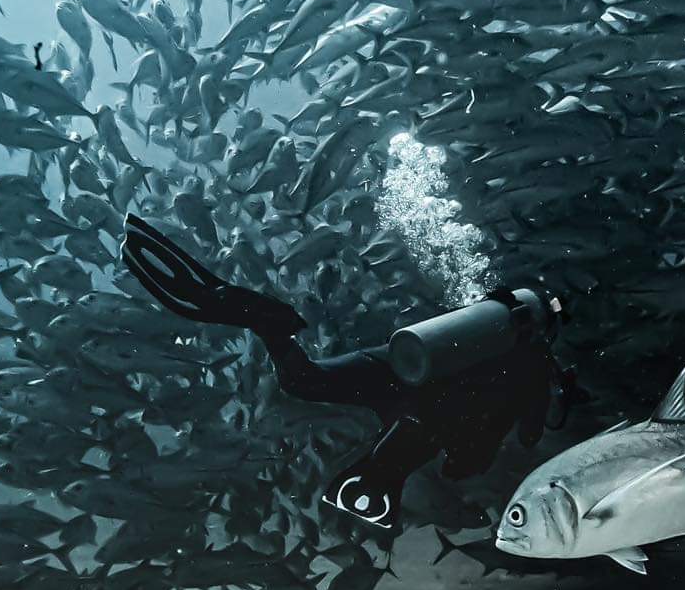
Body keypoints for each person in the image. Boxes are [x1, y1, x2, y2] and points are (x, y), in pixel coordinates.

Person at [123, 216, 570, 528]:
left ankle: (265, 320)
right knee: (413, 450)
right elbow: (526, 437)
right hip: (429, 410)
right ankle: (374, 477)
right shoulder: (533, 366)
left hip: (398, 362)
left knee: (304, 380)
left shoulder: (479, 326)